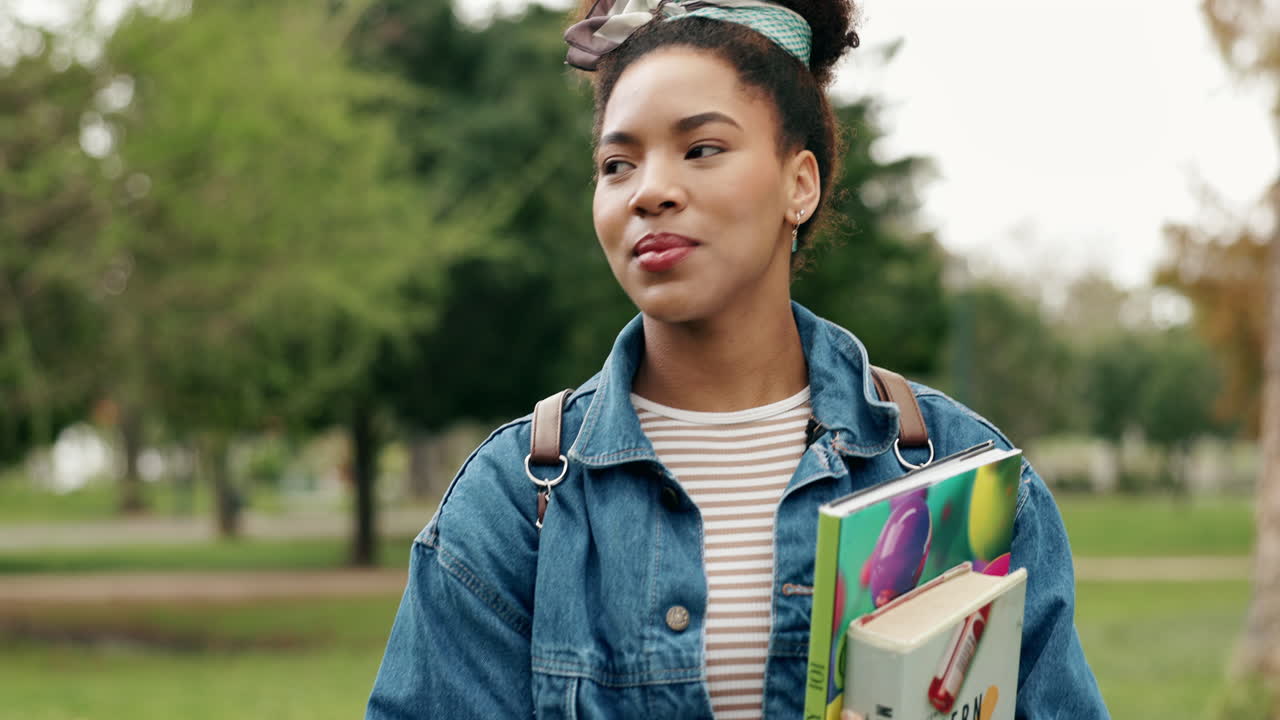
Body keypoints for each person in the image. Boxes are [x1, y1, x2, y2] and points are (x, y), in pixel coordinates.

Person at [365, 0, 1110, 716]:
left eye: (702, 149)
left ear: (800, 184)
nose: (650, 191)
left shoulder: (960, 478)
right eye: (617, 164)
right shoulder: (518, 501)